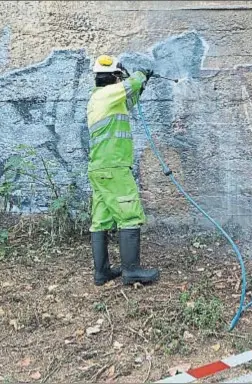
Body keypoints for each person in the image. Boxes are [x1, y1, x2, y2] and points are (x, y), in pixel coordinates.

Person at [87, 54, 159, 286]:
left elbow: (130, 99)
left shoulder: (104, 99)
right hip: (114, 167)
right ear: (115, 77)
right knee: (129, 213)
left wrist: (142, 85)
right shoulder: (107, 94)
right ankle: (131, 271)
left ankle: (102, 273)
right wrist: (142, 73)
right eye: (119, 79)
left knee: (101, 219)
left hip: (101, 168)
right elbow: (132, 84)